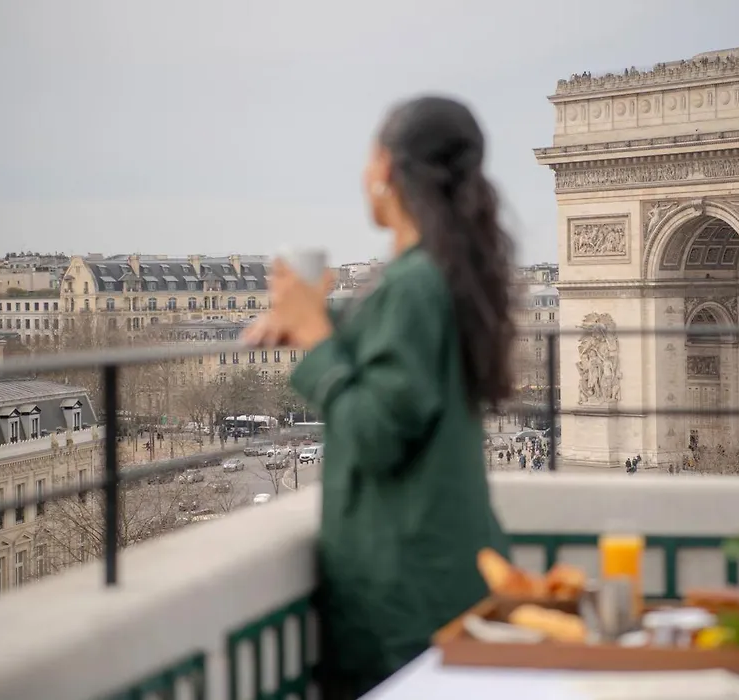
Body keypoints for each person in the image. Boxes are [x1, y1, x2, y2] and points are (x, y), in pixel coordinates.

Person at [243, 95, 515, 699]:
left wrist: (317, 339)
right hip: (446, 575)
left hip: (402, 596)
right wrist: (320, 320)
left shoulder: (414, 284)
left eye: (369, 159)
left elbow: (375, 434)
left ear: (386, 169)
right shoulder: (446, 274)